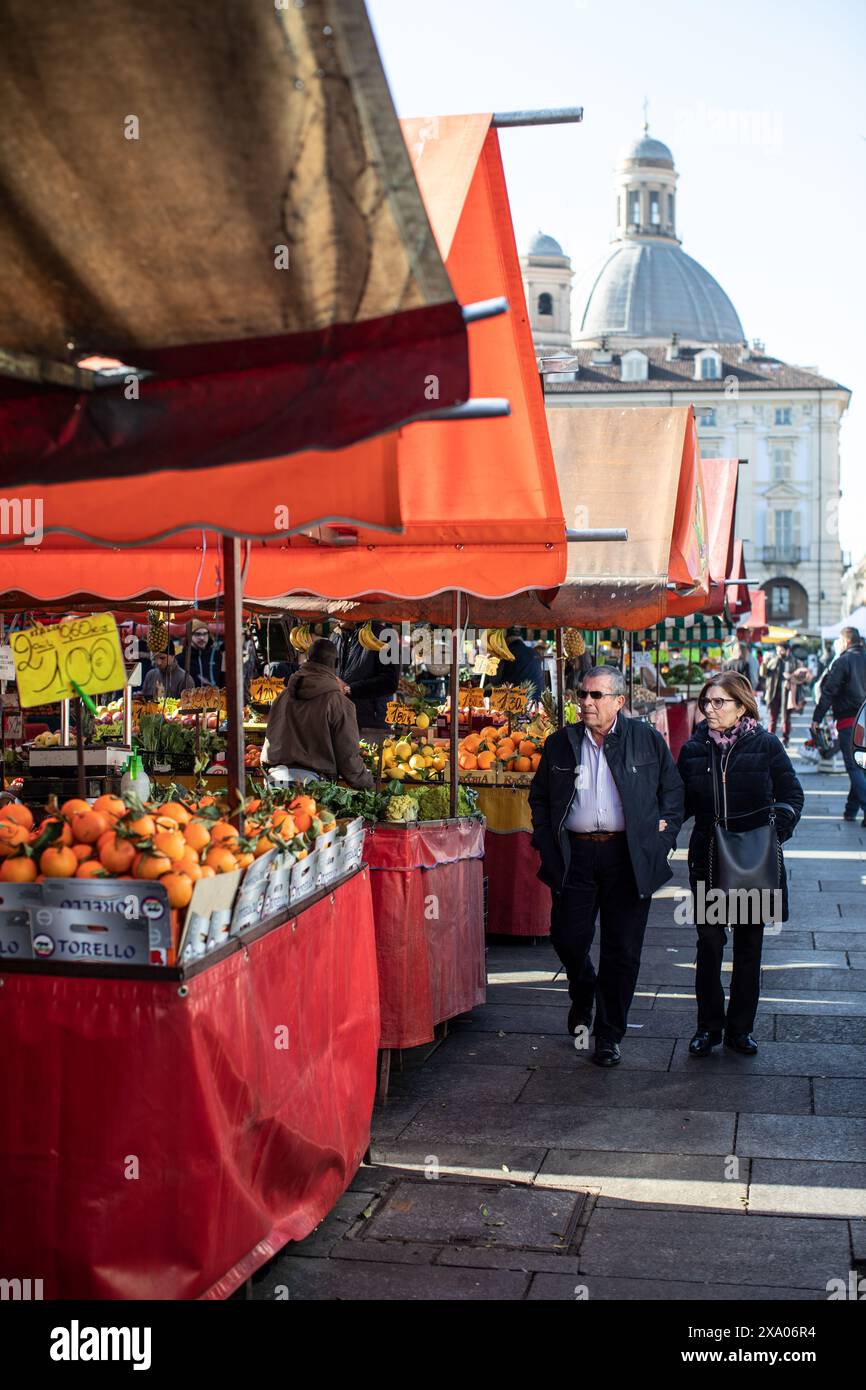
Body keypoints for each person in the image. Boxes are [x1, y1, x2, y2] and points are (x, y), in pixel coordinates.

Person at [528, 665, 684, 1068]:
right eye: (582, 694)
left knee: (623, 950)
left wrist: (659, 844)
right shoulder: (560, 743)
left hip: (627, 857)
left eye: (596, 696)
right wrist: (546, 842)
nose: (586, 703)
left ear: (619, 701)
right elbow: (541, 799)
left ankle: (609, 1035)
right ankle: (584, 990)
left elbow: (673, 795)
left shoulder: (645, 740)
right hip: (575, 856)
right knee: (567, 938)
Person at [677, 672, 803, 1057]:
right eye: (707, 703)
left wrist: (776, 827)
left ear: (742, 706)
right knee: (710, 944)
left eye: (720, 703)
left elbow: (791, 794)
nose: (710, 710)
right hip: (709, 859)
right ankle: (708, 1027)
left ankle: (740, 1030)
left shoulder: (765, 745)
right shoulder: (694, 749)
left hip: (752, 858)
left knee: (749, 946)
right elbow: (678, 804)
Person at [263, 638, 373, 788]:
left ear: (308, 658)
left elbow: (269, 740)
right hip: (313, 789)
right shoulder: (339, 703)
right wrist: (367, 784)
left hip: (273, 781)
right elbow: (348, 758)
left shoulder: (282, 696)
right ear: (336, 664)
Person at [812, 626, 866, 824]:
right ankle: (850, 810)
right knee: (861, 765)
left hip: (849, 721)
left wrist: (817, 717)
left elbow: (829, 691)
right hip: (863, 718)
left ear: (845, 642)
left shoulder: (843, 661)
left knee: (854, 766)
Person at [338, 621, 400, 744]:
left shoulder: (387, 635)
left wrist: (350, 689)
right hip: (338, 721)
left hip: (369, 724)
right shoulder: (336, 635)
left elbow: (390, 681)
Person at [486, 628, 544, 701]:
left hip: (515, 702)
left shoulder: (506, 654)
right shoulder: (533, 652)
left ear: (506, 640)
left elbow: (495, 680)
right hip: (537, 699)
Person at [760, 641, 796, 745]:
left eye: (781, 649)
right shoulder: (772, 660)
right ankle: (771, 739)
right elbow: (763, 674)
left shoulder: (792, 661)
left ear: (787, 650)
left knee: (786, 718)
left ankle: (786, 739)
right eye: (777, 650)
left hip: (787, 694)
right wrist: (764, 663)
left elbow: (799, 676)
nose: (779, 652)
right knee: (773, 718)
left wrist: (791, 676)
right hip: (773, 694)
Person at [180, 621, 224, 688]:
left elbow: (223, 680)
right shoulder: (181, 659)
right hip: (191, 697)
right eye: (198, 634)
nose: (202, 638)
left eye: (205, 634)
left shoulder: (216, 656)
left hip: (215, 697)